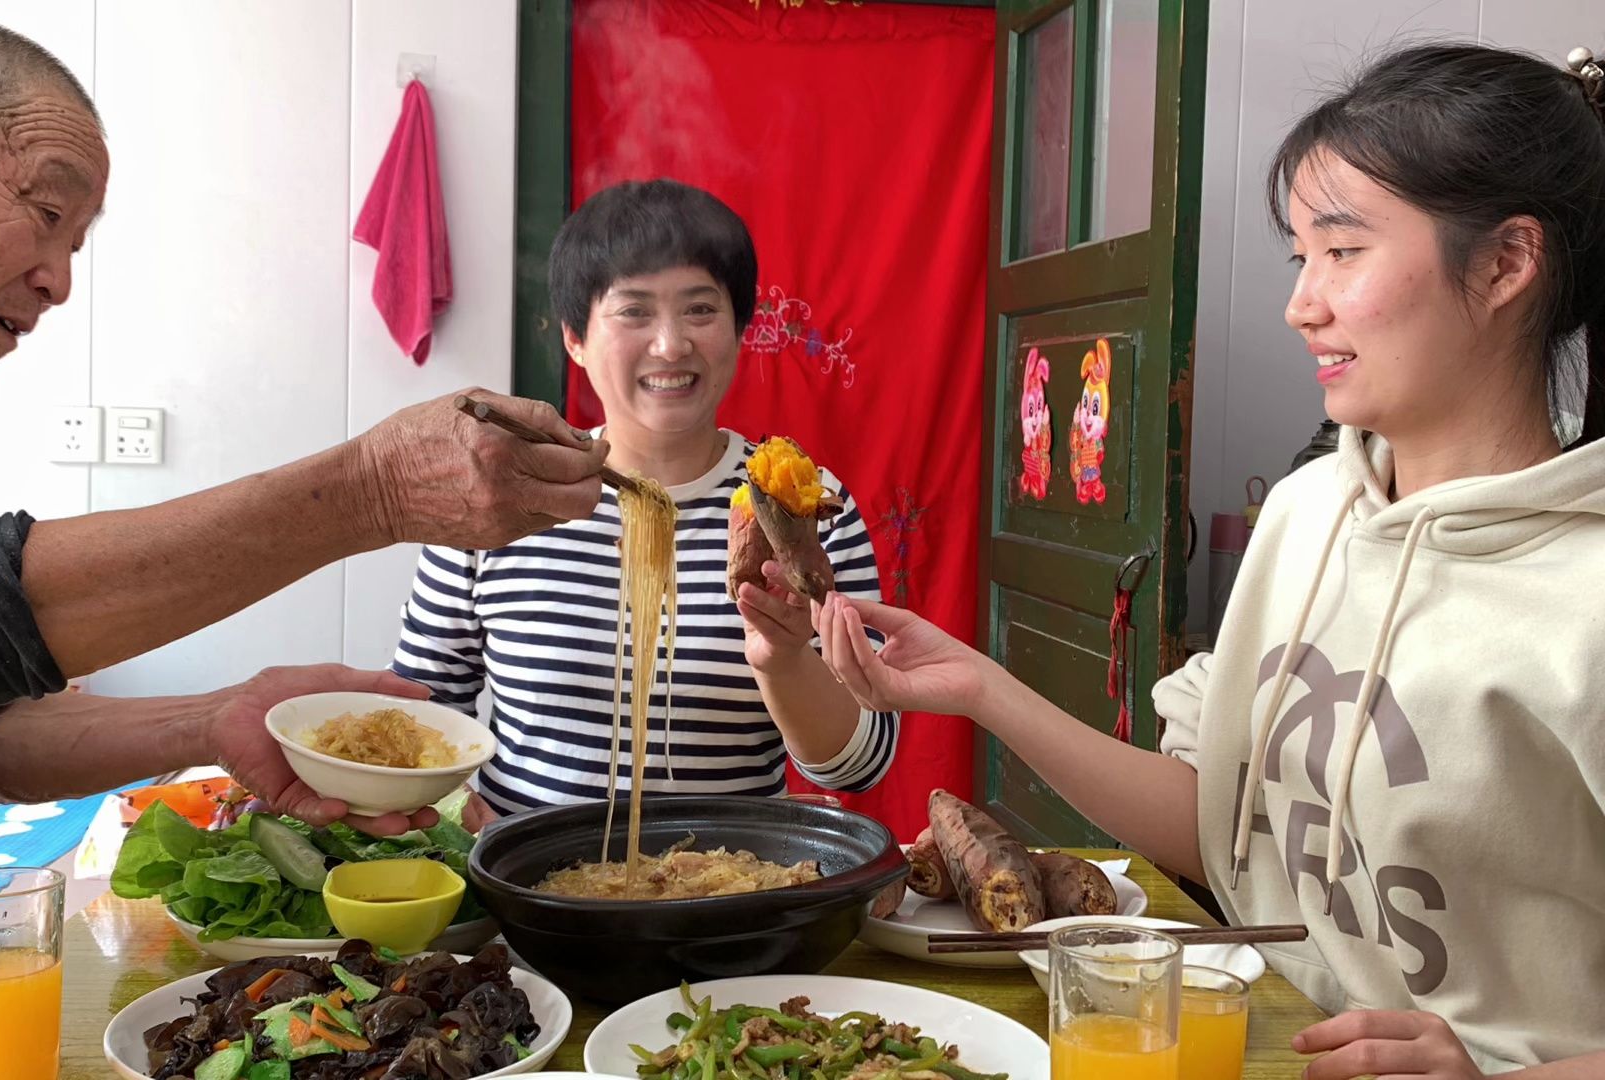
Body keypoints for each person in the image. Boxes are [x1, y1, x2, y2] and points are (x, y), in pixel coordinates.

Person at [812, 43, 1605, 1078]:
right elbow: (1225, 832)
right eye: (1299, 258)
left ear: (1504, 264)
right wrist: (980, 688)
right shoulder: (1310, 511)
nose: (1301, 303)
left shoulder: (1582, 595)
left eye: (1343, 251)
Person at [0, 8, 607, 1057]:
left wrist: (223, 718)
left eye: (75, 244)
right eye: (43, 211)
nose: (59, 279)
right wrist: (369, 491)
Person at [391, 179, 898, 822]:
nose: (671, 344)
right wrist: (475, 830)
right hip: (529, 895)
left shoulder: (806, 507)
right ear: (575, 337)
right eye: (633, 311)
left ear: (741, 328)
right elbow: (421, 714)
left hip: (732, 894)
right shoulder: (496, 494)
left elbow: (863, 763)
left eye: (700, 310)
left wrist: (787, 656)